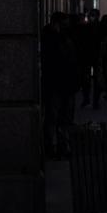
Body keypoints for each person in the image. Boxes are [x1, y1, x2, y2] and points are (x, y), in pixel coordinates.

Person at [41, 17, 79, 159]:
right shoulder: (55, 41)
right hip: (59, 85)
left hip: (60, 85)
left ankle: (57, 146)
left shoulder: (59, 40)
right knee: (57, 118)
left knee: (58, 118)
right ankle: (54, 146)